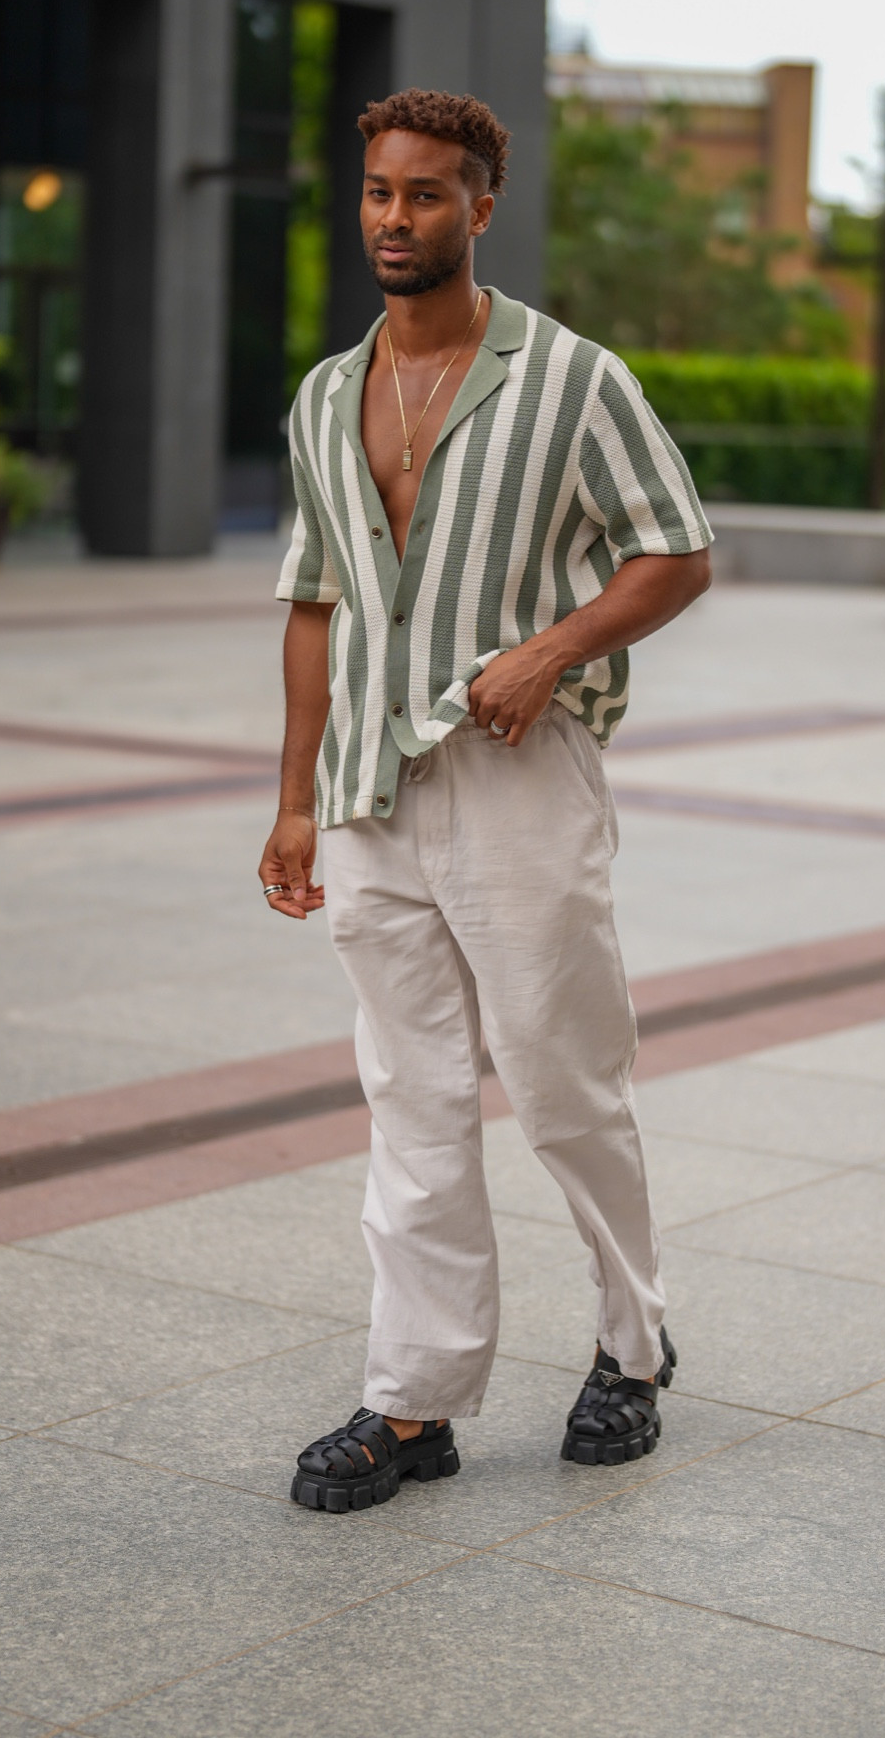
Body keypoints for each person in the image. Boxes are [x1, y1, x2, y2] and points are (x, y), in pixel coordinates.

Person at [259, 88, 713, 1515]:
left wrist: (552, 647)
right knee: (411, 1099)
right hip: (365, 793)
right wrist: (290, 800)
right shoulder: (328, 397)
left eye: (427, 195)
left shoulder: (575, 381)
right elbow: (313, 603)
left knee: (566, 1084)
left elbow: (674, 553)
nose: (397, 218)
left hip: (517, 777)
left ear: (480, 206)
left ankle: (630, 1347)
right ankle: (415, 1400)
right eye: (380, 193)